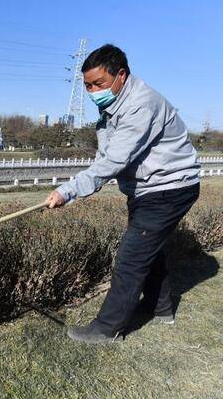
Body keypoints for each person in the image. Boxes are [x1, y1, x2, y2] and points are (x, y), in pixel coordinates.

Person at [45, 44, 200, 344]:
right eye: (88, 85)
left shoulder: (141, 104)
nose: (92, 91)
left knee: (131, 256)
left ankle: (108, 328)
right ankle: (161, 308)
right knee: (146, 249)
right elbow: (107, 157)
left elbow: (115, 160)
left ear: (121, 76)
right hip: (148, 188)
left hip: (169, 187)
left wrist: (68, 191)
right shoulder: (110, 106)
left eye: (99, 84)